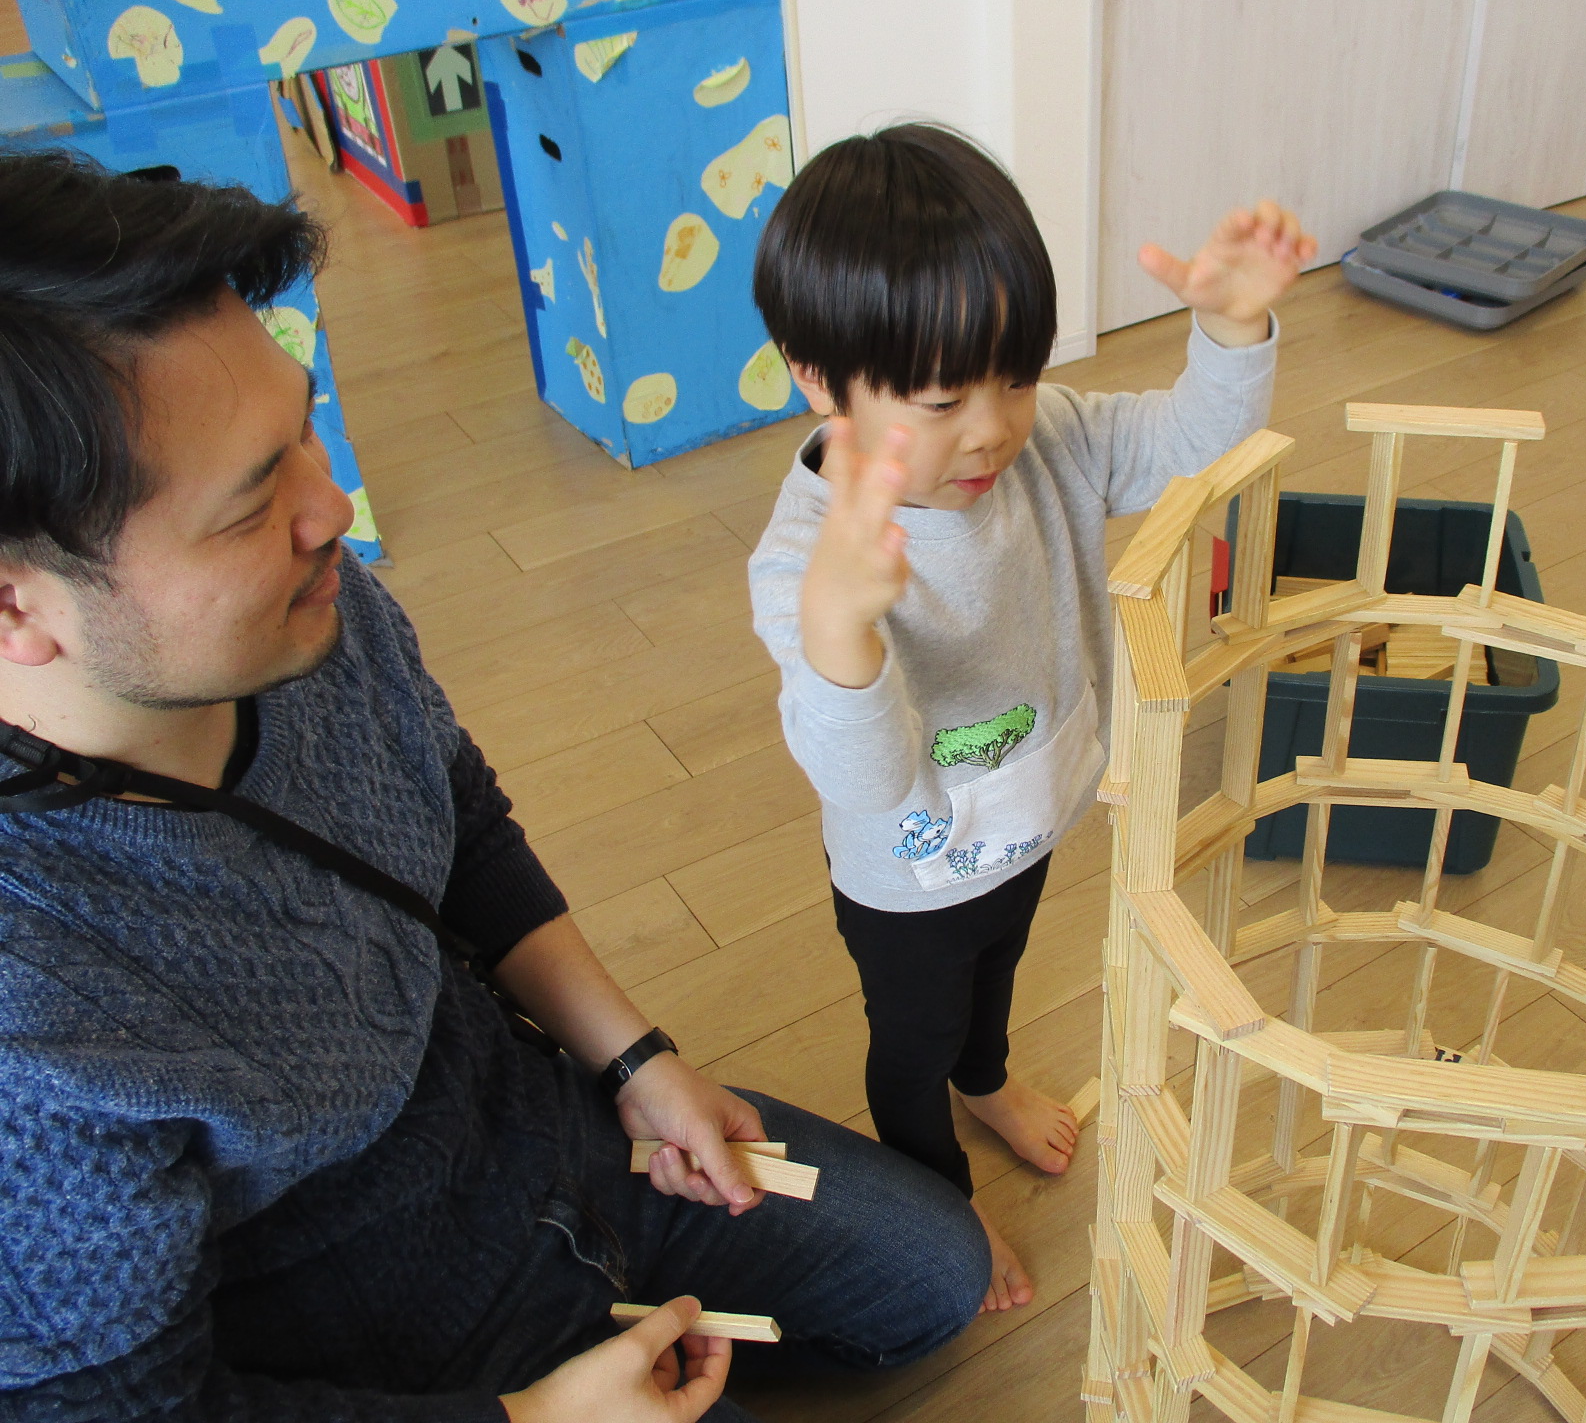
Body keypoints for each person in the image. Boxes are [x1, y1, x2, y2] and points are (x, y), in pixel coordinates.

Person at [0, 148, 986, 1423]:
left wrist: (633, 1061)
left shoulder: (317, 609)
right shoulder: (33, 1007)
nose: (331, 509)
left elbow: (455, 816)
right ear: (18, 603)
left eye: (304, 430)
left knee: (936, 1278)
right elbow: (118, 1406)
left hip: (529, 1117)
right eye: (248, 509)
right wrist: (535, 1420)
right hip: (365, 1322)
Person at [747, 124, 1313, 1310]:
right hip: (909, 877)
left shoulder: (1042, 443)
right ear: (820, 380)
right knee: (913, 1041)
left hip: (1031, 812)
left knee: (998, 970)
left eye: (1015, 374)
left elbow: (1188, 449)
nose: (992, 427)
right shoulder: (806, 566)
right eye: (942, 398)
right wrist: (841, 635)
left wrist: (1229, 331)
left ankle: (989, 1080)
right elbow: (867, 780)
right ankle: (936, 1193)